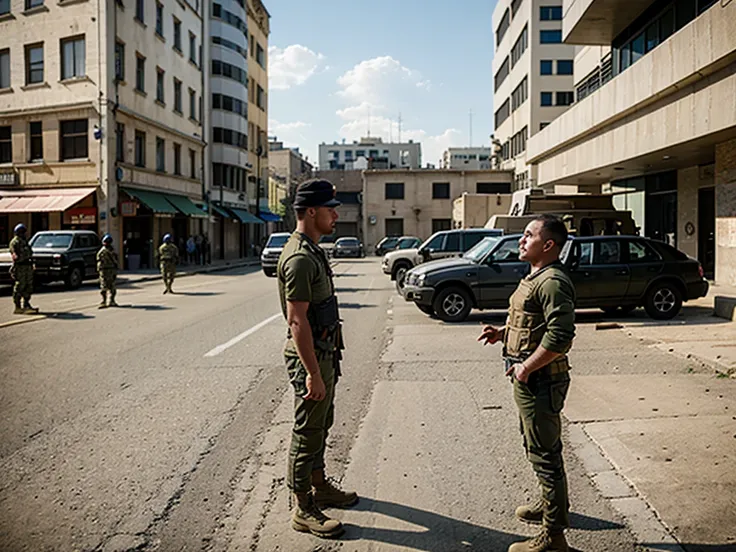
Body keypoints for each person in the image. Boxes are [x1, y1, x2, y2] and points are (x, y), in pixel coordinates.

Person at [478, 214, 576, 552]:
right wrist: (503, 333)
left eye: (528, 235)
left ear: (548, 245)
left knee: (546, 454)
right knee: (535, 448)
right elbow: (530, 321)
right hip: (530, 379)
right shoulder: (536, 276)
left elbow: (561, 336)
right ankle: (548, 506)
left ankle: (555, 537)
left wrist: (526, 368)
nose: (521, 240)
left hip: (541, 381)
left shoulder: (552, 282)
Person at [277, 178, 357, 539]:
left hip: (326, 352)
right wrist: (312, 373)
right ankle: (303, 506)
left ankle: (320, 484)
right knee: (307, 430)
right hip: (311, 358)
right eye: (330, 209)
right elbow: (297, 321)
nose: (336, 215)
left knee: (322, 425)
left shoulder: (313, 249)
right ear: (311, 211)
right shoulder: (298, 258)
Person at [9, 223, 38, 314]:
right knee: (20, 286)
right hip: (20, 267)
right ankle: (17, 306)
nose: (24, 234)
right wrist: (16, 257)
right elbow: (14, 254)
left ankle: (26, 304)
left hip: (27, 267)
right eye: (23, 232)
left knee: (28, 286)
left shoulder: (24, 241)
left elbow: (30, 253)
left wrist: (32, 264)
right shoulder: (15, 242)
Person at [97, 234, 119, 308]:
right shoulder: (103, 251)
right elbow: (99, 261)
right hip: (104, 270)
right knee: (104, 286)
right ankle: (104, 301)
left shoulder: (110, 250)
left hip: (110, 270)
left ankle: (111, 301)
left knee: (112, 286)